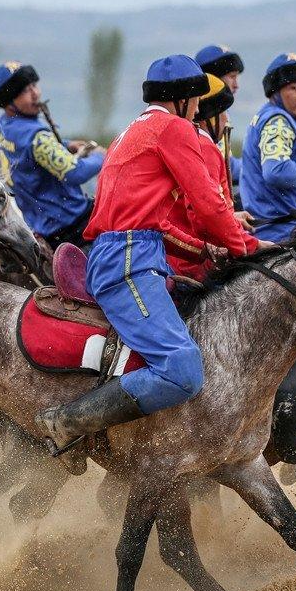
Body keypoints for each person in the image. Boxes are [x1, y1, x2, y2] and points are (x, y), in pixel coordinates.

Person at [35, 54, 270, 471]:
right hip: (130, 259)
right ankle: (68, 422)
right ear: (181, 100)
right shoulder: (173, 128)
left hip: (130, 252)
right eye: (196, 100)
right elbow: (210, 205)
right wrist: (245, 246)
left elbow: (158, 220)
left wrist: (202, 250)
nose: (198, 110)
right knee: (182, 371)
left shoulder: (136, 129)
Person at [0, 61, 104, 249]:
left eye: (34, 85)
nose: (35, 93)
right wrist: (102, 157)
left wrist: (65, 144)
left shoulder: (3, 125)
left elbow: (28, 152)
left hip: (40, 224)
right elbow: (75, 173)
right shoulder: (36, 137)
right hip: (72, 226)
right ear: (9, 102)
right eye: (25, 91)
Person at [161, 73, 253, 282]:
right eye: (224, 111)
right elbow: (203, 218)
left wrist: (232, 217)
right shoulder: (205, 147)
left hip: (179, 256)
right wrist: (248, 245)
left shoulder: (188, 142)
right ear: (210, 116)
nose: (227, 119)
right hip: (195, 265)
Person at [239, 52, 296, 242]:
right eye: (295, 87)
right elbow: (277, 171)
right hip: (280, 231)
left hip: (279, 226)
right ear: (275, 91)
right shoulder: (278, 122)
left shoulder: (276, 117)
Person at [195, 44, 245, 182]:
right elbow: (223, 165)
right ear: (213, 80)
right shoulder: (207, 117)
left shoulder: (221, 112)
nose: (236, 85)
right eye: (232, 77)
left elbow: (227, 161)